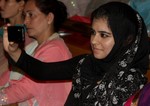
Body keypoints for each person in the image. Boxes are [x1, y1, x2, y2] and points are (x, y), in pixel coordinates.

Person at [3, 1, 150, 106]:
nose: (94, 41)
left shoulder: (131, 83)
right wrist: (14, 51)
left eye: (103, 35)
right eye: (93, 33)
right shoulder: (86, 63)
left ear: (125, 40)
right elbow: (42, 71)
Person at [0, 0, 72, 105]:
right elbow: (10, 74)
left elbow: (29, 87)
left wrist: (2, 98)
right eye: (25, 15)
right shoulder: (36, 45)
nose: (25, 21)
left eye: (31, 15)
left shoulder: (55, 49)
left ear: (49, 18)